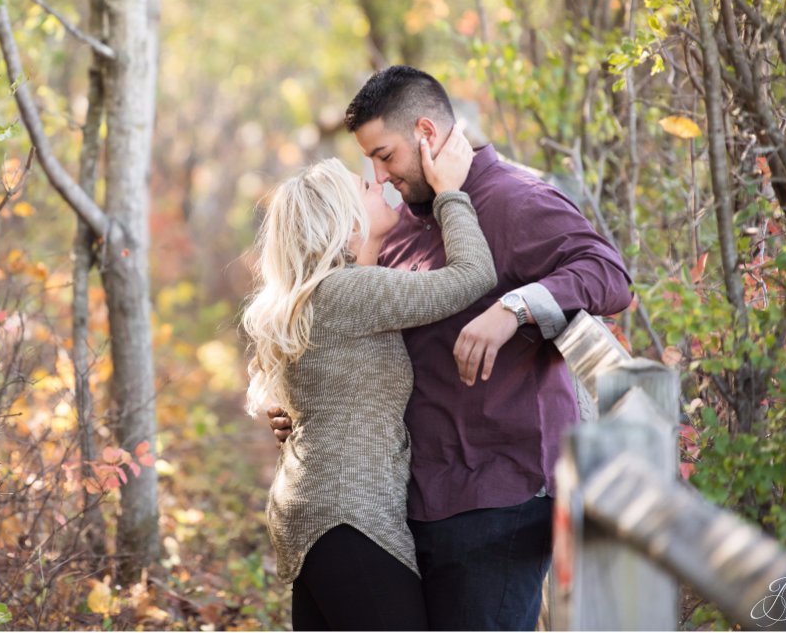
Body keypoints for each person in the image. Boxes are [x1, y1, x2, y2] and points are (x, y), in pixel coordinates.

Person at [269, 66, 632, 630]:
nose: (380, 176)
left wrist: (514, 308)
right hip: (410, 503)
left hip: (496, 498)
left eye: (385, 156)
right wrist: (315, 405)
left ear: (426, 133)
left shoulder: (516, 200)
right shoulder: (400, 226)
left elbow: (609, 275)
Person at [243, 128, 496, 632]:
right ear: (345, 223)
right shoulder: (351, 291)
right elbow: (474, 275)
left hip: (316, 507)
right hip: (347, 515)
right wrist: (449, 191)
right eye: (362, 187)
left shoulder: (326, 293)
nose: (376, 183)